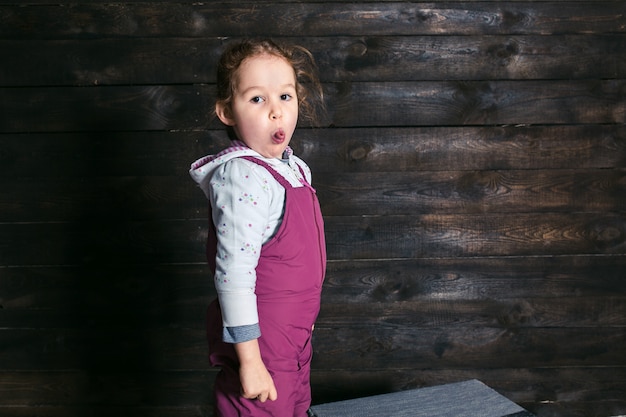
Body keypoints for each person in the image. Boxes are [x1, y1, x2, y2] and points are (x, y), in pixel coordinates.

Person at [189, 39, 326, 417]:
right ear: (226, 112)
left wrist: (304, 324)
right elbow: (233, 273)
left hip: (293, 342)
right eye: (256, 99)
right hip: (262, 348)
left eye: (284, 96)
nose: (275, 112)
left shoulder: (295, 170)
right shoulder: (244, 176)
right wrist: (250, 361)